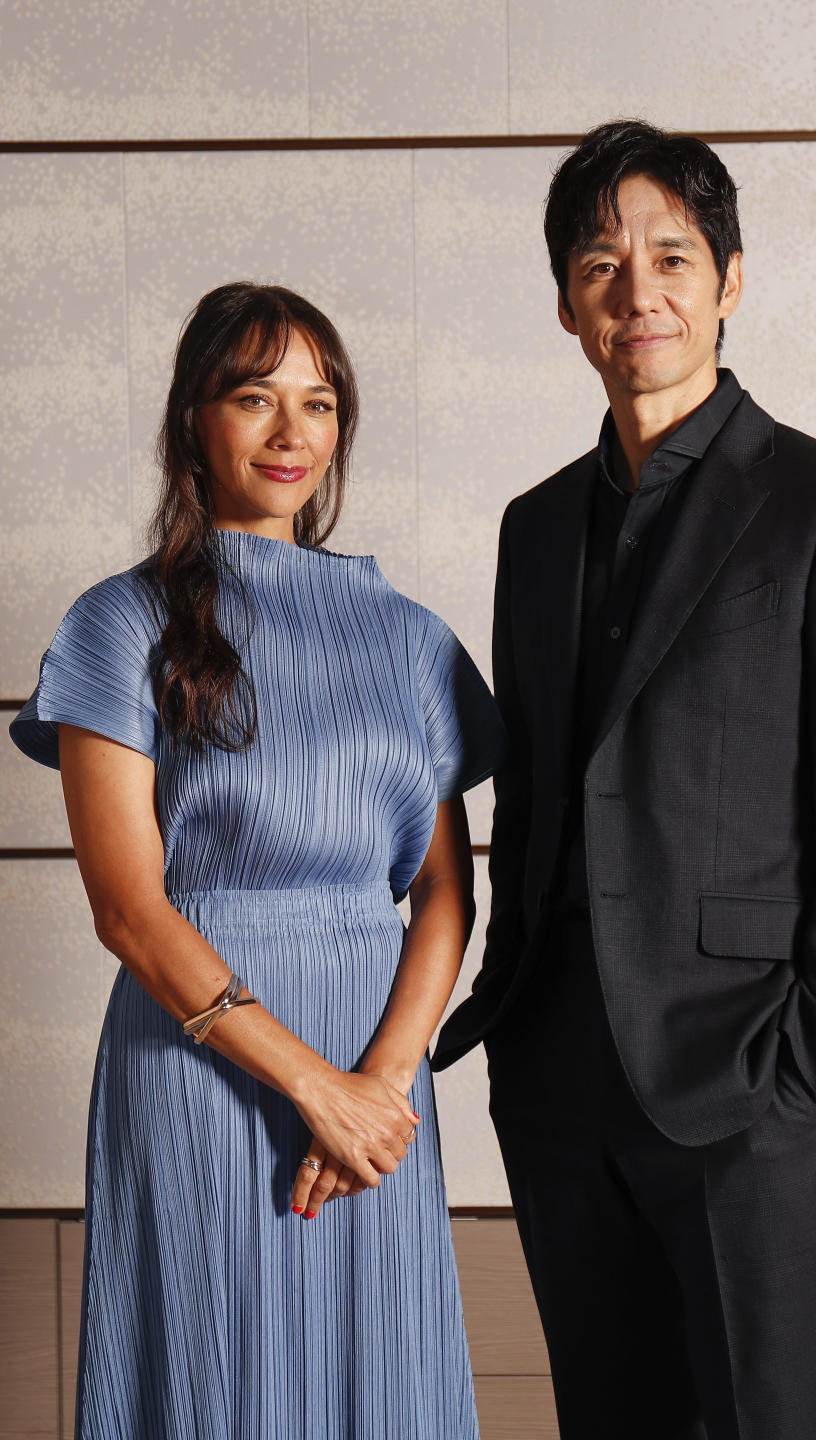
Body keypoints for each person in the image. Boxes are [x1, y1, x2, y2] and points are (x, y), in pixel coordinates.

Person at [433, 120, 816, 1439]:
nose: (638, 290)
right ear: (566, 304)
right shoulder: (535, 528)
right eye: (602, 263)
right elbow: (537, 786)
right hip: (555, 1082)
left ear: (729, 278)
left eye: (671, 255)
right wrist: (513, 1013)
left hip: (742, 1080)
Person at [11, 281, 502, 1439]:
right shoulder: (117, 625)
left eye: (320, 404)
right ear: (196, 419)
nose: (293, 433)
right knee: (212, 1383)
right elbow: (129, 912)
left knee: (379, 1373)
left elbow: (443, 891)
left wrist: (379, 1084)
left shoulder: (410, 635)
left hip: (380, 1070)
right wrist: (313, 1086)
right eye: (255, 396)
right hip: (200, 1061)